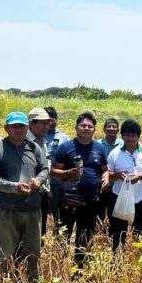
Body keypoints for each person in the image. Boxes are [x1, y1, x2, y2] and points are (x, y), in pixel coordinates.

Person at [0, 111, 49, 283]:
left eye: (22, 126)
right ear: (6, 128)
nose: (19, 130)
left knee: (32, 254)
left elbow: (44, 168)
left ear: (27, 128)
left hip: (32, 210)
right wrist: (14, 187)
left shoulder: (34, 148)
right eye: (14, 126)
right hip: (7, 210)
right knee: (3, 255)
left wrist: (38, 180)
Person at [52, 112, 110, 268]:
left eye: (90, 126)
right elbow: (54, 172)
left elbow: (104, 169)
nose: (86, 128)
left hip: (91, 201)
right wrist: (68, 173)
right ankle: (58, 269)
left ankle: (80, 270)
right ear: (76, 128)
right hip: (67, 201)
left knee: (85, 236)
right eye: (83, 125)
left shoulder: (99, 148)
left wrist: (106, 178)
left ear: (94, 130)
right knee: (62, 235)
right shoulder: (66, 147)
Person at [107, 119, 142, 251]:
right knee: (118, 230)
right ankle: (118, 257)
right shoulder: (115, 153)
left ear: (138, 136)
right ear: (122, 136)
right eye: (127, 135)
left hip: (141, 197)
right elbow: (108, 173)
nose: (130, 139)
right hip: (119, 197)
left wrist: (140, 176)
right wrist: (118, 175)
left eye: (133, 135)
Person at [43, 106, 69, 235]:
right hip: (40, 181)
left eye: (52, 119)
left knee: (58, 212)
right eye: (47, 120)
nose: (50, 123)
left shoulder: (64, 137)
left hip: (57, 182)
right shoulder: (36, 135)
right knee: (41, 211)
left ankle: (57, 239)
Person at [26, 108, 51, 234]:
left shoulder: (42, 142)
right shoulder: (23, 142)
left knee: (40, 233)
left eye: (47, 123)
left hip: (41, 193)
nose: (46, 126)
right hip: (27, 194)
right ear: (31, 123)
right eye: (42, 123)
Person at [98, 117, 123, 228]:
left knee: (114, 214)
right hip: (101, 184)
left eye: (114, 126)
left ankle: (113, 235)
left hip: (117, 185)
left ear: (118, 130)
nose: (111, 128)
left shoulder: (123, 144)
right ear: (104, 129)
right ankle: (99, 234)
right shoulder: (98, 144)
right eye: (109, 126)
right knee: (99, 212)